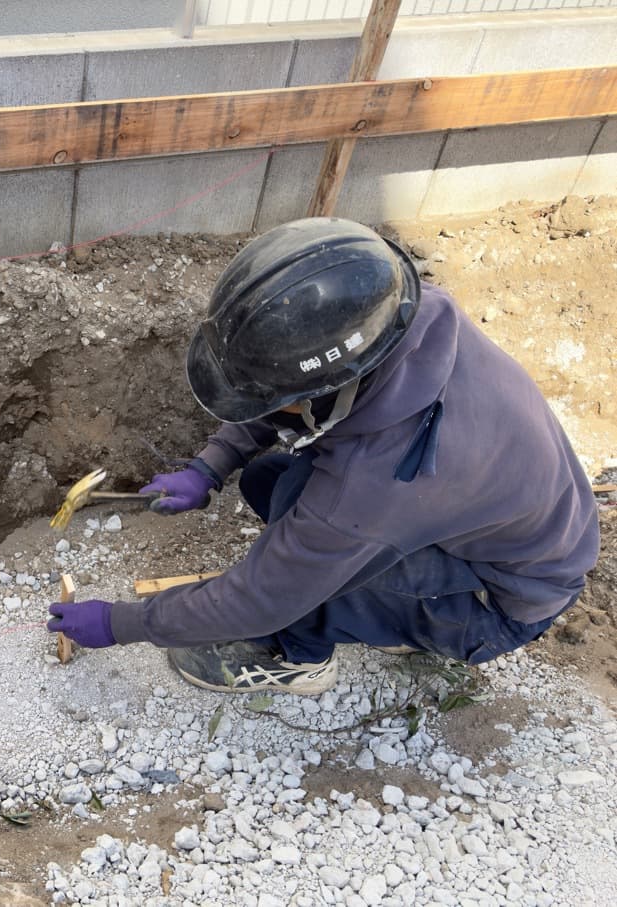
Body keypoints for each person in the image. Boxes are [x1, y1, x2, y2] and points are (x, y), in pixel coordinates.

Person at [47, 217, 600, 696]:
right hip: (505, 533)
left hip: (495, 602)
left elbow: (262, 596)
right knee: (270, 481)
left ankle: (299, 657)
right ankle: (386, 607)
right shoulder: (393, 319)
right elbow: (292, 392)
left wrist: (121, 623)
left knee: (304, 580)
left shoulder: (374, 480)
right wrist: (209, 465)